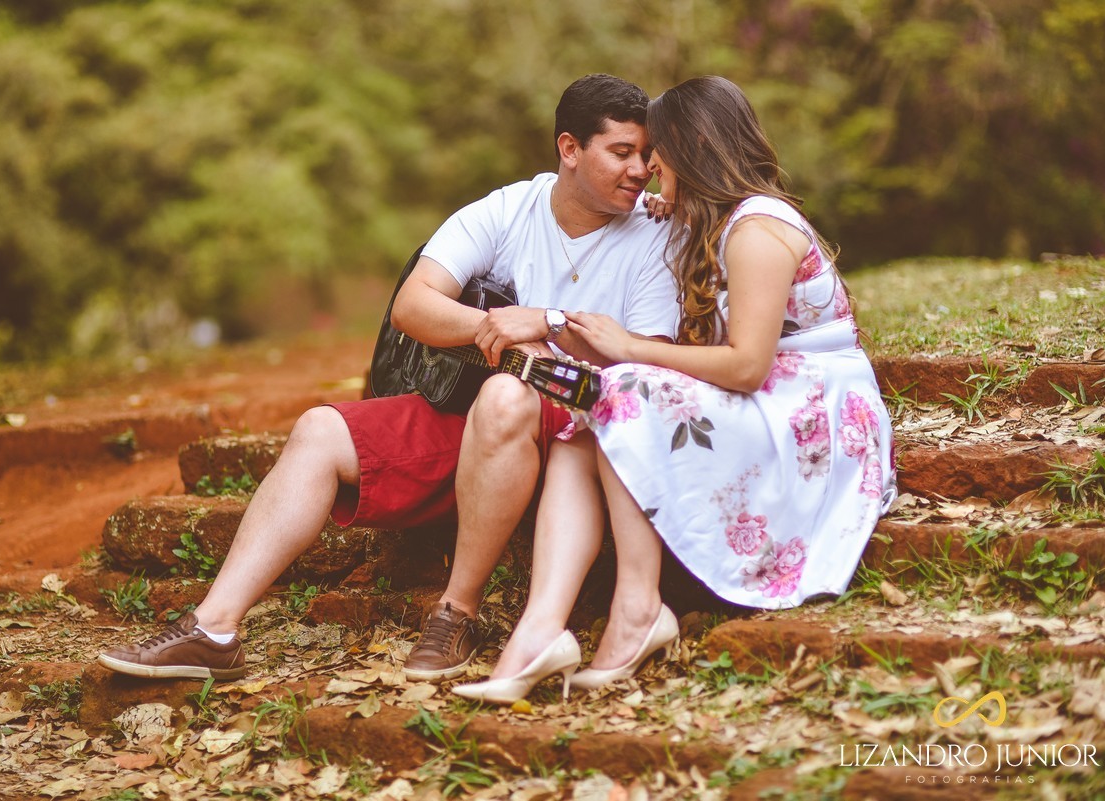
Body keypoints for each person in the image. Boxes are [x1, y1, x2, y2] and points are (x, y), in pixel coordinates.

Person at [96, 74, 679, 682]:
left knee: (506, 396)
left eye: (645, 154)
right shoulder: (510, 208)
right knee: (321, 429)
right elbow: (414, 303)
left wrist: (552, 324)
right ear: (569, 149)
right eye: (621, 152)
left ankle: (457, 613)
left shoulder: (657, 230)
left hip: (577, 428)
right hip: (478, 420)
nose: (639, 169)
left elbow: (646, 361)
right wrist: (494, 327)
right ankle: (213, 630)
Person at [451, 75, 896, 705]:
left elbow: (745, 367)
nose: (645, 179)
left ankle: (637, 607)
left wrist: (628, 347)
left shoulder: (759, 230)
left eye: (656, 166)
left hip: (809, 408)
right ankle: (538, 631)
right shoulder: (715, 224)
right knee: (588, 421)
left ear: (690, 155)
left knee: (622, 385)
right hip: (774, 394)